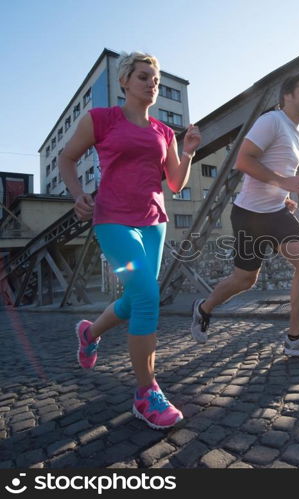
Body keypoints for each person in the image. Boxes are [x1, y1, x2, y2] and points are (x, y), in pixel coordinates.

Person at [59, 51, 201, 430]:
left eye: (155, 80)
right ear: (124, 82)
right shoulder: (101, 120)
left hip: (154, 222)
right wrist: (77, 195)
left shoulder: (164, 131)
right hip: (113, 220)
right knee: (146, 296)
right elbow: (67, 158)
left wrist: (187, 152)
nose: (151, 84)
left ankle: (89, 332)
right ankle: (146, 393)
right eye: (143, 77)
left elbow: (174, 183)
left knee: (134, 297)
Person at [190, 73, 299, 360]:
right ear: (287, 96)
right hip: (249, 215)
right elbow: (244, 161)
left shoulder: (298, 136)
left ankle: (296, 339)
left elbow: (273, 172)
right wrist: (285, 183)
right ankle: (204, 308)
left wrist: (284, 195)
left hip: (275, 212)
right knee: (244, 280)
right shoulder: (271, 121)